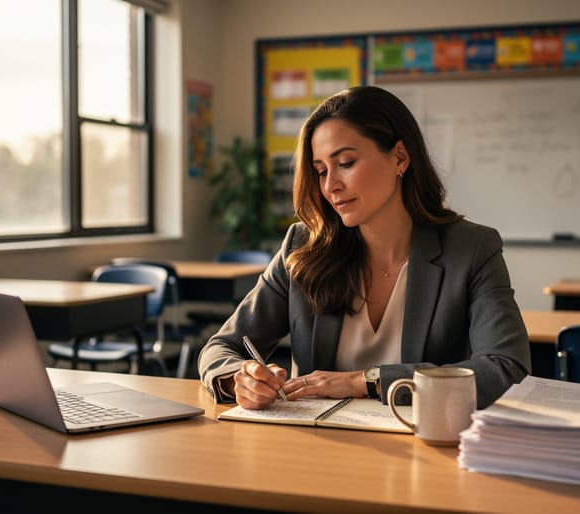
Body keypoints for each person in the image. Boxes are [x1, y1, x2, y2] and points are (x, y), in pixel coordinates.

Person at [198, 85, 530, 410]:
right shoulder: (303, 246)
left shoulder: (471, 249)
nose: (330, 186)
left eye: (345, 163)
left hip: (422, 449)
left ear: (400, 157)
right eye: (321, 171)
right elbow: (221, 347)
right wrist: (238, 379)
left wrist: (366, 381)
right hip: (315, 448)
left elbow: (505, 369)